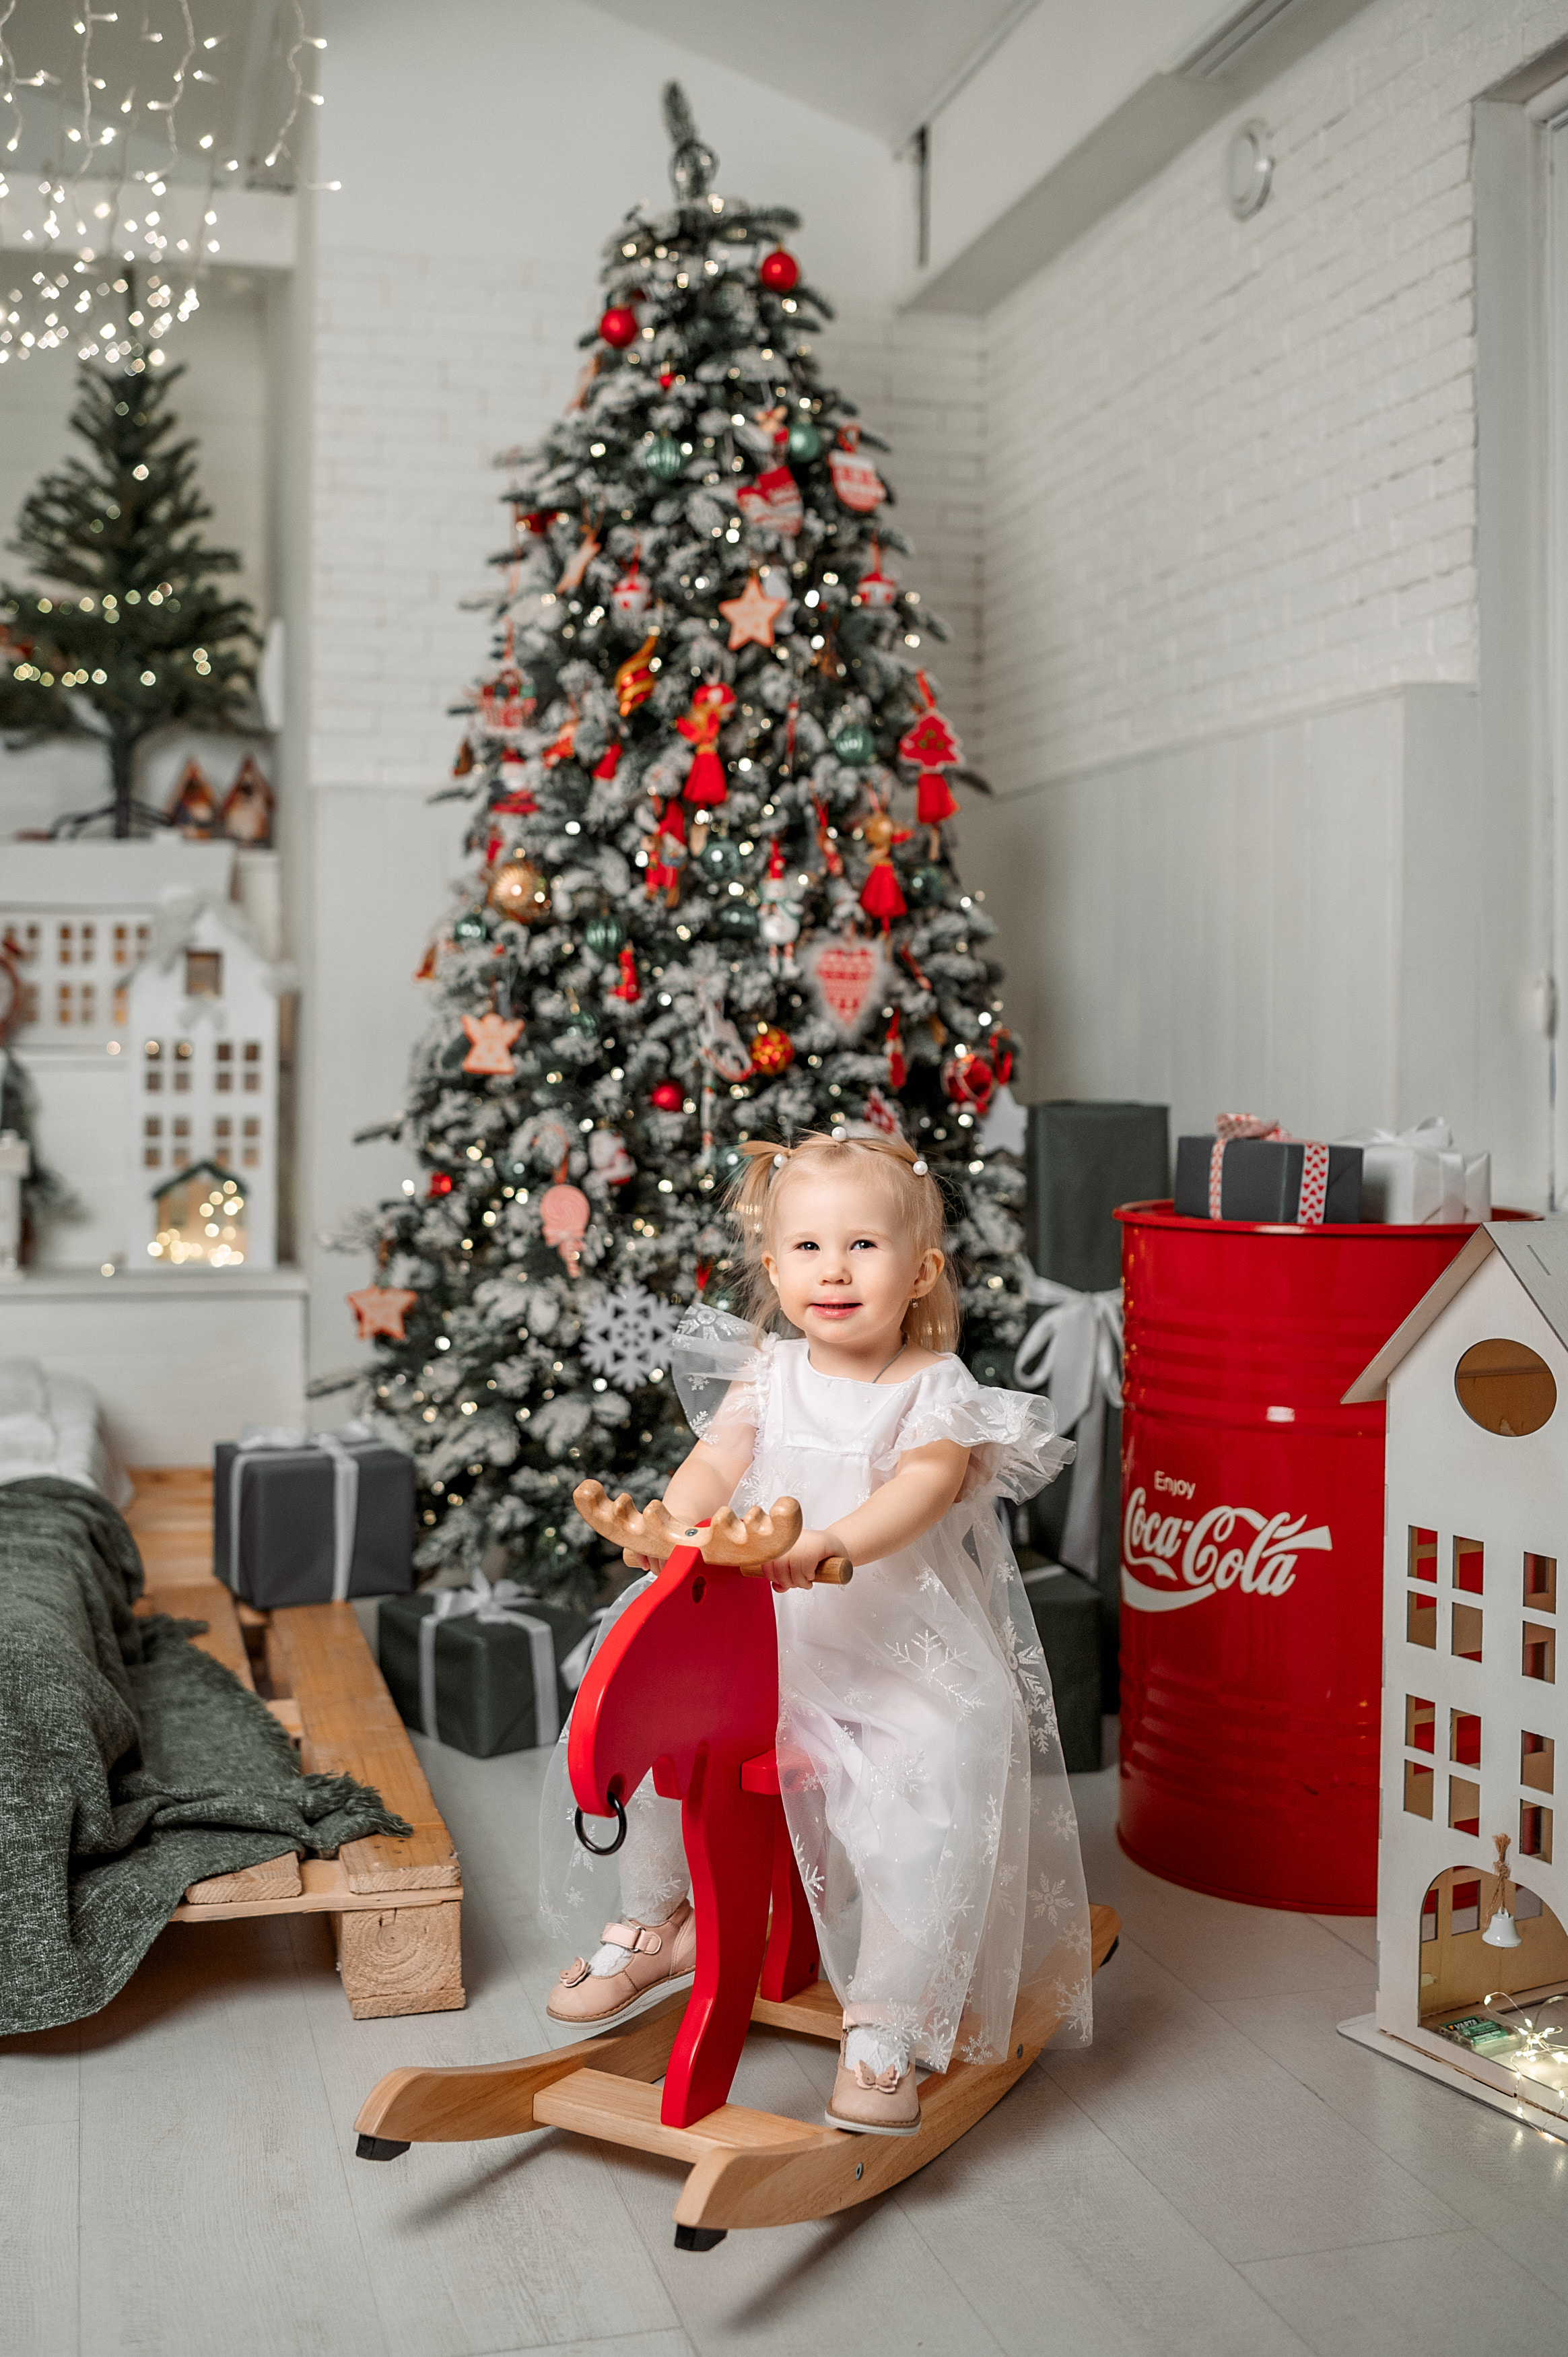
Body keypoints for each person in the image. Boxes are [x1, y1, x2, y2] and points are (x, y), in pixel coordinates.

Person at [539, 1126, 1092, 2136]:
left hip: (887, 1645)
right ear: (771, 1265)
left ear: (919, 1270)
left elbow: (921, 1492)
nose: (832, 1271)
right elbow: (713, 1465)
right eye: (806, 1248)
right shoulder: (768, 1371)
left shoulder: (934, 1389)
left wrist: (834, 1540)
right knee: (659, 1714)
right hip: (762, 1644)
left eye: (863, 1248)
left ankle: (887, 2014)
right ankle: (663, 1920)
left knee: (936, 1761)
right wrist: (676, 1519)